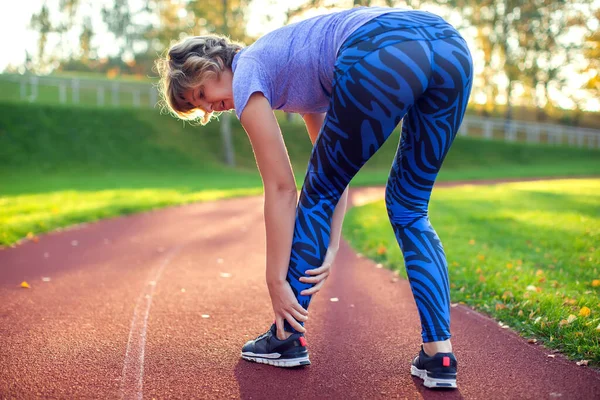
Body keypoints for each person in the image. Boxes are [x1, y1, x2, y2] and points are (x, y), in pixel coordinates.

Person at [155, 4, 473, 390]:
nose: (208, 109)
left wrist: (275, 280)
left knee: (316, 190)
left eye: (201, 94)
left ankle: (287, 337)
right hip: (449, 48)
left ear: (209, 65)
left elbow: (282, 188)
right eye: (198, 109)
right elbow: (332, 177)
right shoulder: (291, 66)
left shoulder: (247, 71)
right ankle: (439, 355)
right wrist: (333, 244)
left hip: (381, 45)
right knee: (409, 207)